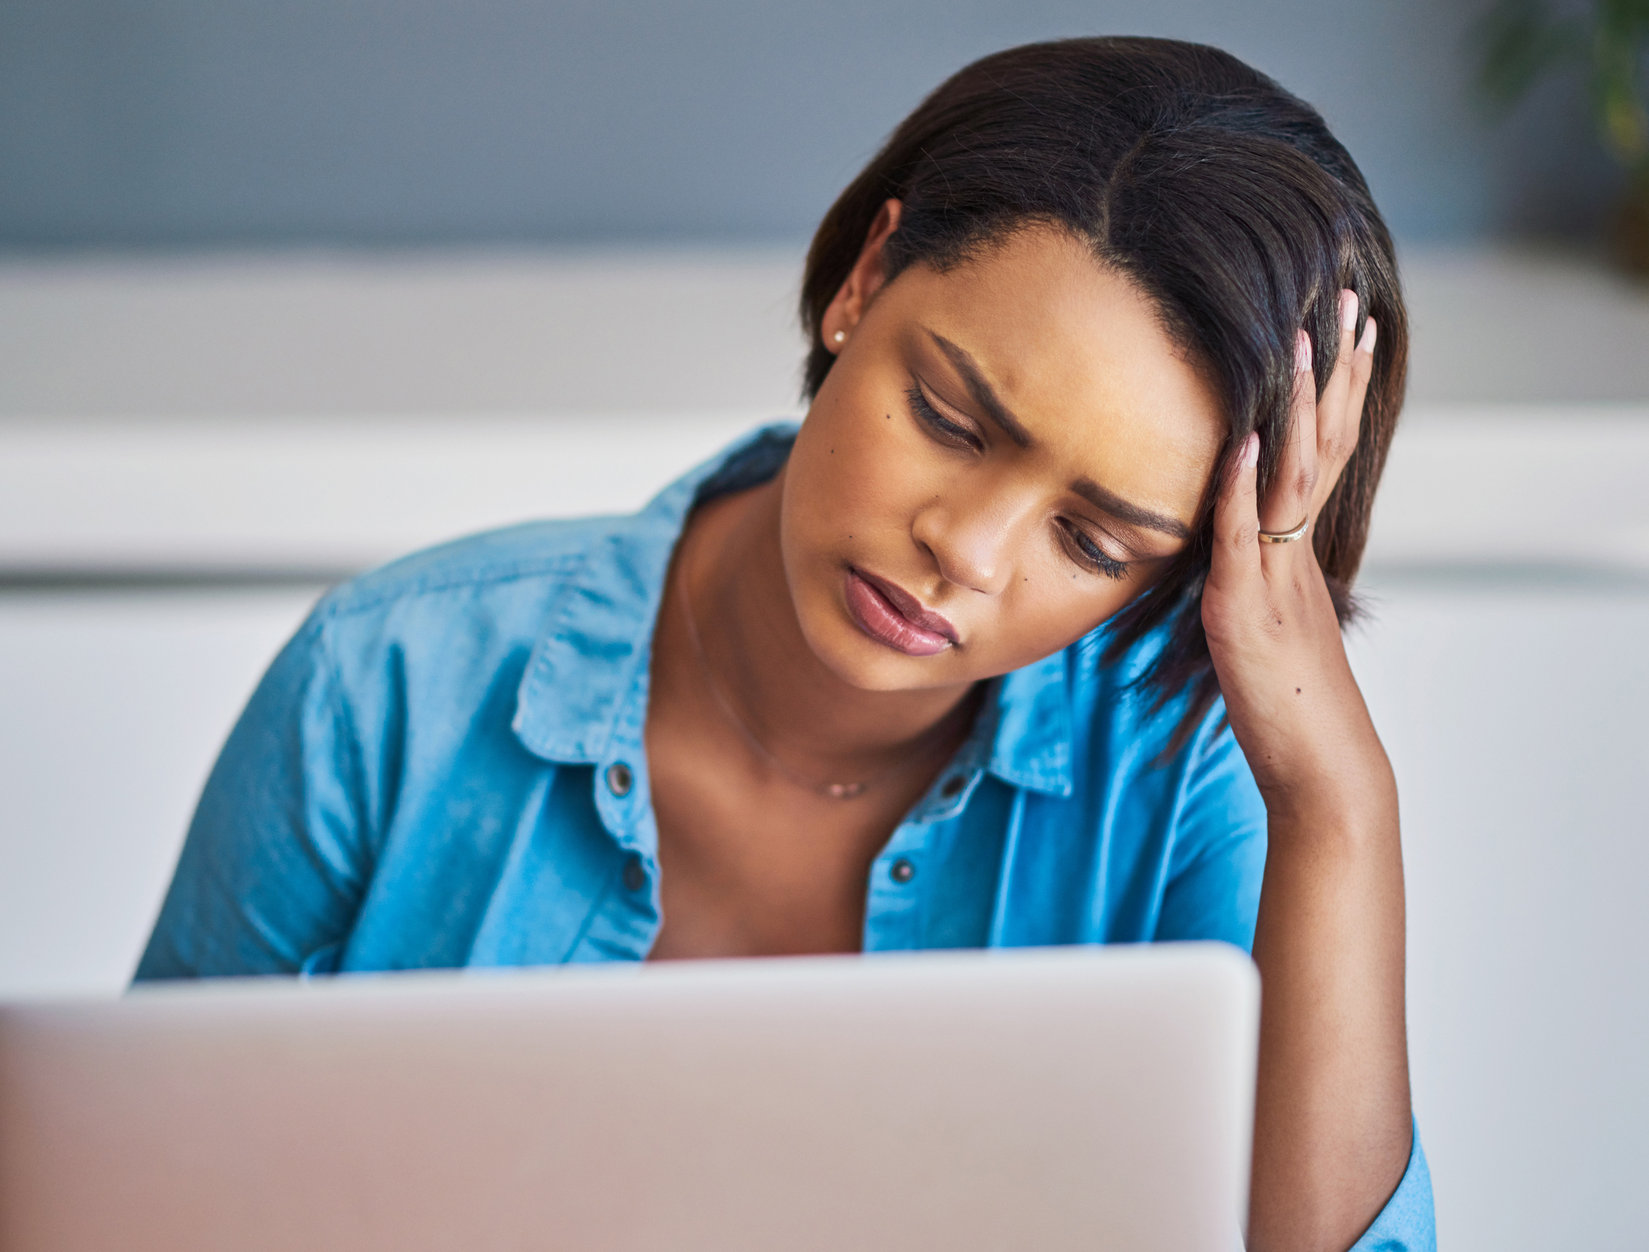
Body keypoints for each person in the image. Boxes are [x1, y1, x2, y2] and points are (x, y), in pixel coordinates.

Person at [137, 36, 1433, 1252]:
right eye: (949, 418)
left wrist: (1337, 797)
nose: (969, 552)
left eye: (1094, 542)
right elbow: (125, 1194)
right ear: (863, 283)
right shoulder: (387, 684)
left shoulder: (1180, 783)